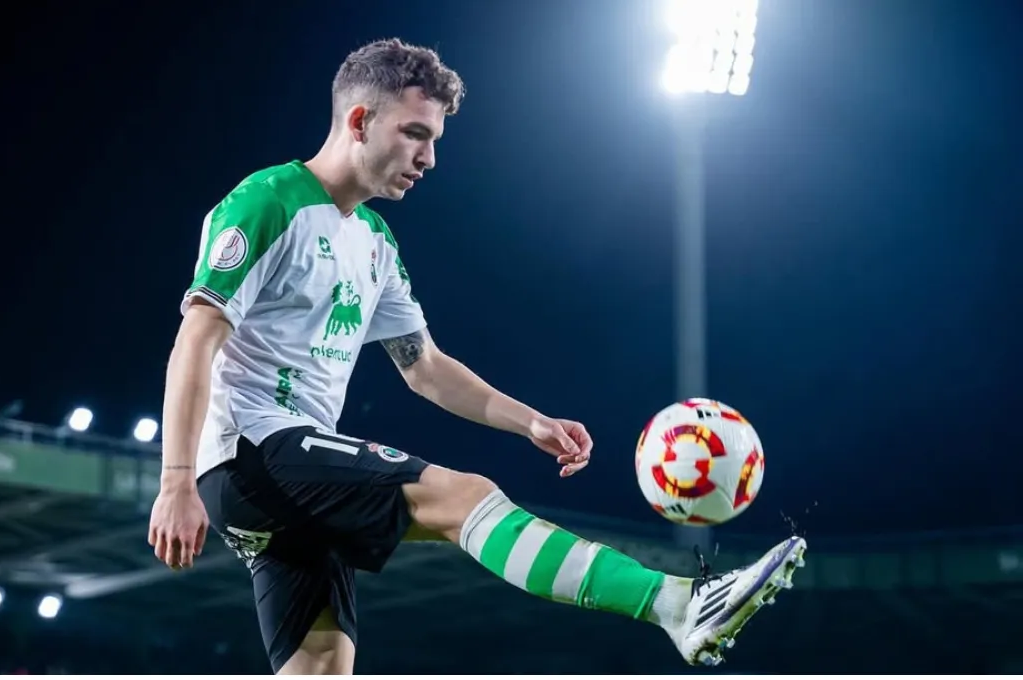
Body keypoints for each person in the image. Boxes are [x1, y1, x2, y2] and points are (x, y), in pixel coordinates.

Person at [147, 37, 806, 675]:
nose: (429, 157)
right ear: (359, 121)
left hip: (288, 473)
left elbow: (425, 368)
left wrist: (530, 422)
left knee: (320, 667)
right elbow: (195, 341)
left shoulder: (374, 243)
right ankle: (677, 603)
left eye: (434, 139)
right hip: (250, 450)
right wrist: (176, 480)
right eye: (415, 133)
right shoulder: (268, 201)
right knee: (464, 497)